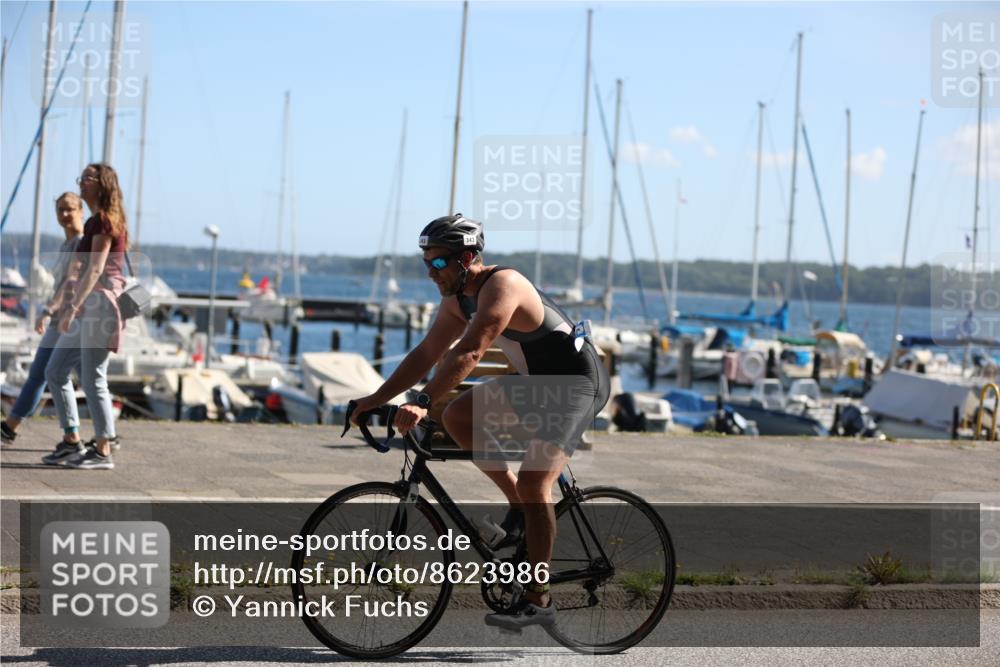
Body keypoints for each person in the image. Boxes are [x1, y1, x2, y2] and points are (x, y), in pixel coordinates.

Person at [351, 214, 610, 630]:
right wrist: (374, 399)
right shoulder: (458, 298)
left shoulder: (503, 286)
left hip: (576, 384)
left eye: (438, 264)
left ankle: (538, 596)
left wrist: (422, 401)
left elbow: (471, 351)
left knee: (534, 482)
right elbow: (425, 353)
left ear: (467, 257)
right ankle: (518, 508)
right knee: (458, 416)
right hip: (537, 384)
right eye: (426, 263)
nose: (431, 273)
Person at [41, 164, 129, 470]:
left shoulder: (105, 221)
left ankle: (103, 450)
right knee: (55, 371)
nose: (82, 181)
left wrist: (72, 308)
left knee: (93, 378)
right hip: (88, 306)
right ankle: (71, 442)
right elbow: (79, 270)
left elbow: (95, 269)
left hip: (100, 306)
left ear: (102, 184)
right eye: (81, 176)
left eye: (88, 177)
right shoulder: (93, 222)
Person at [0, 193, 85, 445]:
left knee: (77, 379)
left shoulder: (80, 244)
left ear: (81, 210)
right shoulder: (66, 245)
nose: (65, 214)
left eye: (70, 209)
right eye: (60, 210)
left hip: (70, 321)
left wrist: (48, 310)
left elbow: (70, 283)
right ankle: (11, 427)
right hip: (61, 321)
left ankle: (85, 436)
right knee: (44, 374)